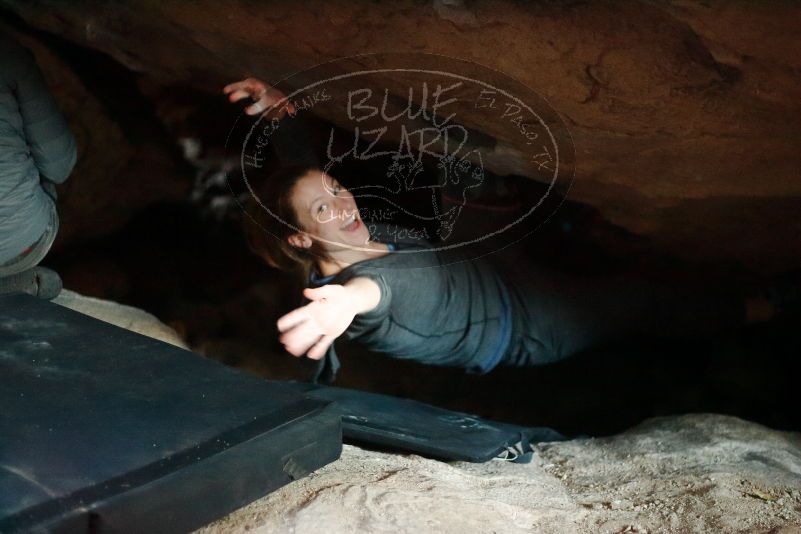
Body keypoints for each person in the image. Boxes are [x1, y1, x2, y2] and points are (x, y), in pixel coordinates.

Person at [224, 78, 775, 384]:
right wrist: (339, 305)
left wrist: (281, 114)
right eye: (323, 211)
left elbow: (307, 184)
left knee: (463, 162)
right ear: (299, 240)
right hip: (523, 325)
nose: (343, 205)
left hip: (476, 262)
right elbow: (377, 291)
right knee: (636, 299)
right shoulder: (372, 287)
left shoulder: (350, 232)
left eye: (337, 190)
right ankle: (761, 309)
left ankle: (568, 222)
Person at [0, 32, 76, 299]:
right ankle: (14, 284)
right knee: (44, 170)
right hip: (19, 246)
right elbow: (60, 166)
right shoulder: (8, 52)